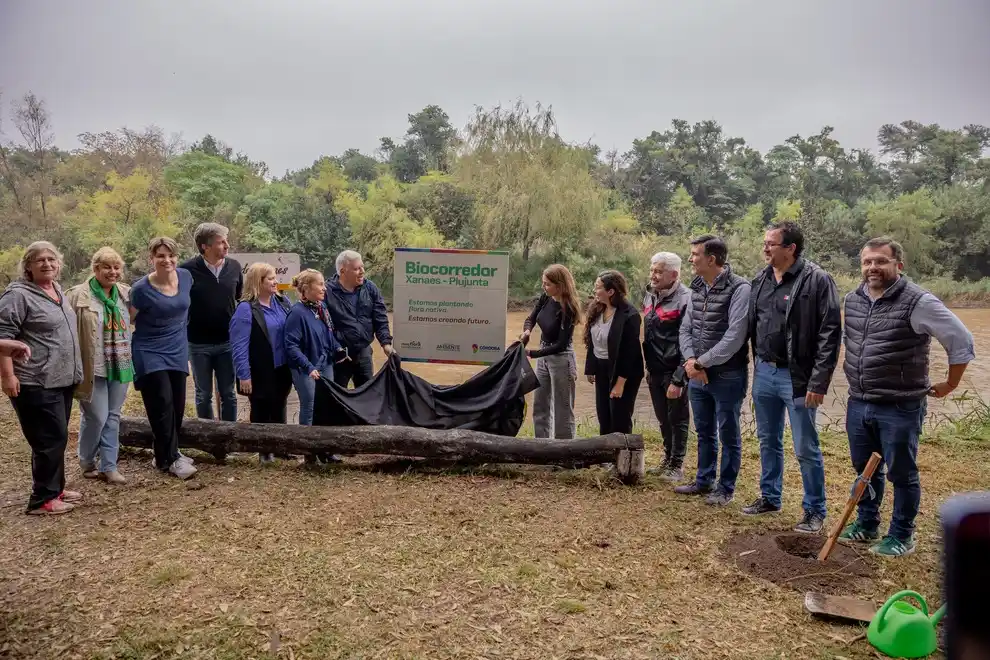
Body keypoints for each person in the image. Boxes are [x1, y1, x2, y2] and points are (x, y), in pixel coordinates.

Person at [839, 237, 975, 557]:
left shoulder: (918, 301)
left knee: (901, 472)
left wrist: (950, 384)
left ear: (898, 265)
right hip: (859, 400)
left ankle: (902, 534)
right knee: (864, 468)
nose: (873, 267)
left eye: (881, 261)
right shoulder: (854, 299)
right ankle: (867, 523)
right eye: (867, 261)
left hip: (900, 405)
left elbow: (961, 341)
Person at [742, 222, 841, 533]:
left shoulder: (817, 280)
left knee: (805, 446)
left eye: (771, 243)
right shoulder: (761, 279)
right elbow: (752, 326)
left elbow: (830, 333)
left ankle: (814, 510)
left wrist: (818, 381)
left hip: (797, 377)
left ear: (790, 248)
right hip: (765, 372)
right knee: (767, 440)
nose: (765, 248)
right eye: (765, 242)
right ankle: (770, 497)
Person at [0, 241, 83, 515]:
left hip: (62, 378)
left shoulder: (57, 290)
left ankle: (55, 489)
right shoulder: (18, 295)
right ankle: (42, 500)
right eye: (39, 260)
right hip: (35, 380)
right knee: (48, 438)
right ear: (28, 266)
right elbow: (3, 336)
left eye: (51, 259)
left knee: (57, 436)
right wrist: (7, 376)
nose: (47, 264)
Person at [674, 235, 751, 506]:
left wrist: (700, 363)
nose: (691, 259)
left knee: (728, 432)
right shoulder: (696, 287)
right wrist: (692, 362)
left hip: (728, 375)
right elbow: (686, 328)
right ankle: (703, 480)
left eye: (695, 254)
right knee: (705, 430)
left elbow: (735, 336)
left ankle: (726, 488)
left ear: (712, 259)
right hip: (697, 373)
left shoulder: (740, 288)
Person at [66, 247, 134, 485]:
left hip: (120, 364)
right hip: (91, 366)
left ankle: (109, 466)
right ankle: (86, 460)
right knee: (96, 416)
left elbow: (136, 320)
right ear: (95, 269)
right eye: (106, 267)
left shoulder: (126, 294)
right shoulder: (77, 296)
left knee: (113, 415)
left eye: (116, 267)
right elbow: (66, 330)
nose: (112, 272)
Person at [131, 237, 197, 480]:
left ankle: (165, 453)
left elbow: (185, 309)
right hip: (149, 350)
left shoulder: (186, 277)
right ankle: (171, 460)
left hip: (177, 348)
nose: (166, 260)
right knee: (162, 404)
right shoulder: (141, 290)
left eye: (170, 255)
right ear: (152, 259)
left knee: (177, 405)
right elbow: (128, 319)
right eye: (160, 256)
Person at [229, 262, 292, 464]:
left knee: (280, 405)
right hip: (260, 369)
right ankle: (264, 451)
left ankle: (281, 447)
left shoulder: (283, 302)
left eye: (275, 277)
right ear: (258, 282)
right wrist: (244, 375)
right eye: (271, 278)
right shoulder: (245, 309)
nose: (276, 282)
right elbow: (238, 345)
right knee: (261, 407)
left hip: (282, 368)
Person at [181, 222, 242, 421]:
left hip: (227, 343)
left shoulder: (234, 267)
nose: (227, 245)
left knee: (229, 394)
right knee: (203, 395)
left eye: (226, 241)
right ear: (205, 246)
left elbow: (240, 300)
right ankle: (207, 440)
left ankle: (228, 440)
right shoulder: (186, 271)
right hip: (198, 344)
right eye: (221, 242)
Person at [642, 252, 692, 482]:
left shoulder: (686, 299)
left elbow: (689, 340)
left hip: (675, 369)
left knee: (678, 417)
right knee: (663, 417)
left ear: (674, 274)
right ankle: (667, 458)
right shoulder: (649, 296)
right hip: (654, 368)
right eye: (652, 270)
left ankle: (677, 464)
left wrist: (679, 377)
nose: (653, 275)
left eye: (659, 271)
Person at [520, 264, 582, 439]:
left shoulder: (568, 309)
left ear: (560, 285)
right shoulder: (545, 298)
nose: (544, 287)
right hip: (543, 356)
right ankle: (543, 446)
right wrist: (527, 331)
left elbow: (561, 345)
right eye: (543, 283)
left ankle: (565, 451)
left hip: (561, 359)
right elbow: (531, 318)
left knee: (563, 408)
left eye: (547, 284)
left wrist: (532, 353)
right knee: (540, 404)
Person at [285, 269, 349, 430]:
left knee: (327, 403)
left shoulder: (322, 308)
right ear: (306, 289)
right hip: (305, 368)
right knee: (310, 406)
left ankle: (325, 449)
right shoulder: (296, 313)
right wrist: (309, 367)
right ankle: (307, 451)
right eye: (320, 284)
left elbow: (328, 335)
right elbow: (291, 346)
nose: (324, 288)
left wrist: (338, 349)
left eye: (324, 284)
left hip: (325, 363)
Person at [584, 270, 644, 436]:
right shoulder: (597, 309)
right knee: (603, 414)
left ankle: (623, 456)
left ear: (610, 292)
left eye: (597, 287)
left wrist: (620, 383)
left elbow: (629, 353)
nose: (594, 291)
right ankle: (606, 456)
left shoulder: (630, 315)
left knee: (619, 415)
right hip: (602, 367)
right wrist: (590, 368)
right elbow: (592, 341)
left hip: (623, 371)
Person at [325, 250, 393, 388]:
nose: (362, 271)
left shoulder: (370, 288)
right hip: (339, 355)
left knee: (367, 393)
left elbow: (380, 318)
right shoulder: (327, 292)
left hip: (364, 351)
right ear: (343, 271)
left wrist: (386, 343)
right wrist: (336, 347)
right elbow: (321, 326)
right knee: (337, 396)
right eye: (357, 269)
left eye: (362, 267)